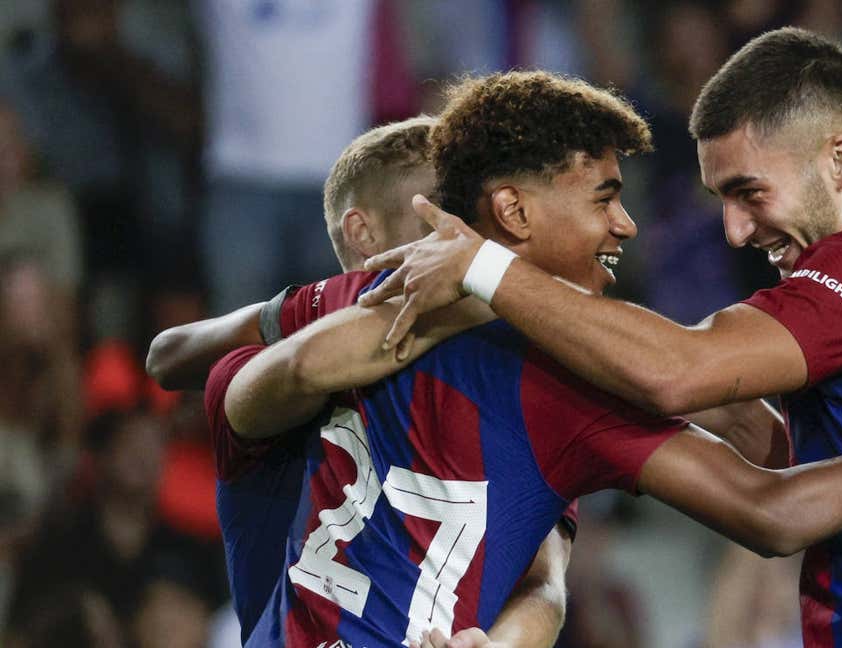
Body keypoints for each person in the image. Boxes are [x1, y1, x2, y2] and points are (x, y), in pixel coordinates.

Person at [214, 70, 842, 647]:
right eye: (604, 197)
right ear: (513, 212)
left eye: (747, 192)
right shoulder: (571, 385)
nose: (628, 225)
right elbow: (761, 499)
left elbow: (207, 370)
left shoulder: (345, 312)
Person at [147, 117, 574, 647]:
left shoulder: (516, 379)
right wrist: (297, 309)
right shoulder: (263, 364)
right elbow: (167, 356)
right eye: (440, 213)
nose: (462, 239)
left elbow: (546, 581)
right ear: (361, 232)